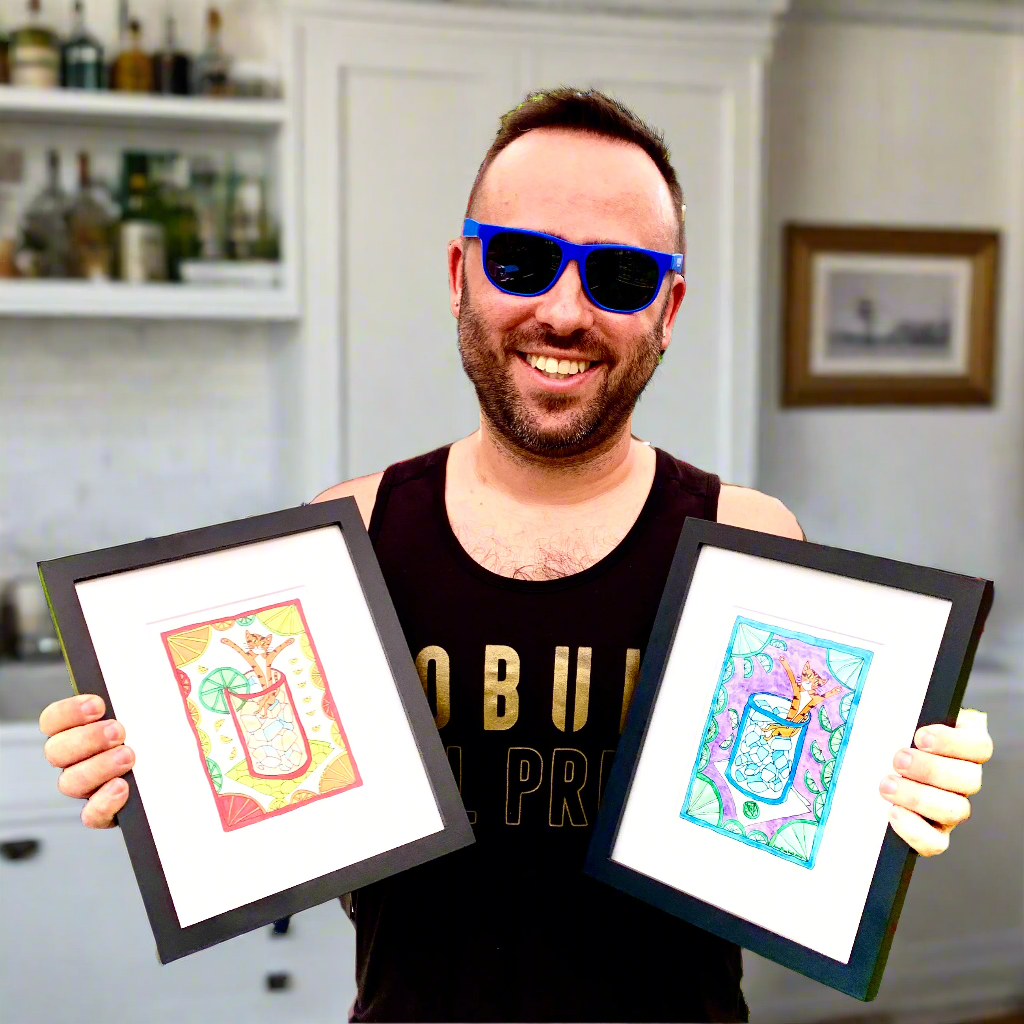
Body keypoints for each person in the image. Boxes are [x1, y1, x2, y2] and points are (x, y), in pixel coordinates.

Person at [38, 89, 993, 1023]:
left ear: (668, 306)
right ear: (460, 272)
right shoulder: (347, 534)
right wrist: (142, 760)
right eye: (525, 260)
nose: (565, 313)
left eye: (618, 276)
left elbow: (801, 812)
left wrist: (905, 782)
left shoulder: (748, 536)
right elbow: (286, 811)